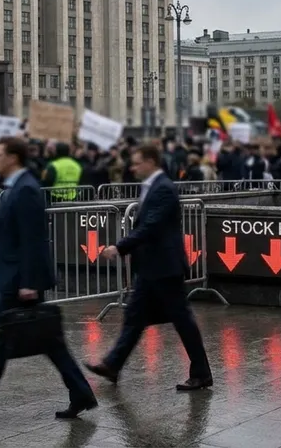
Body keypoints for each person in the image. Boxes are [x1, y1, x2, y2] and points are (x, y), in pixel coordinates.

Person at [0, 137, 97, 423]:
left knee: (0, 344)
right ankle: (80, 392)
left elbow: (32, 239)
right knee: (49, 343)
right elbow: (9, 236)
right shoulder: (17, 187)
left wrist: (29, 282)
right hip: (17, 276)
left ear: (13, 157)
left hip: (19, 280)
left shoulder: (26, 188)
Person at [85, 142, 213, 390]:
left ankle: (201, 373)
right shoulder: (152, 186)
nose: (132, 168)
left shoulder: (163, 188)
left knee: (182, 321)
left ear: (151, 161)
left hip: (165, 267)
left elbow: (151, 226)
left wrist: (120, 247)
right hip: (150, 267)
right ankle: (112, 365)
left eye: (136, 163)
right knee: (135, 317)